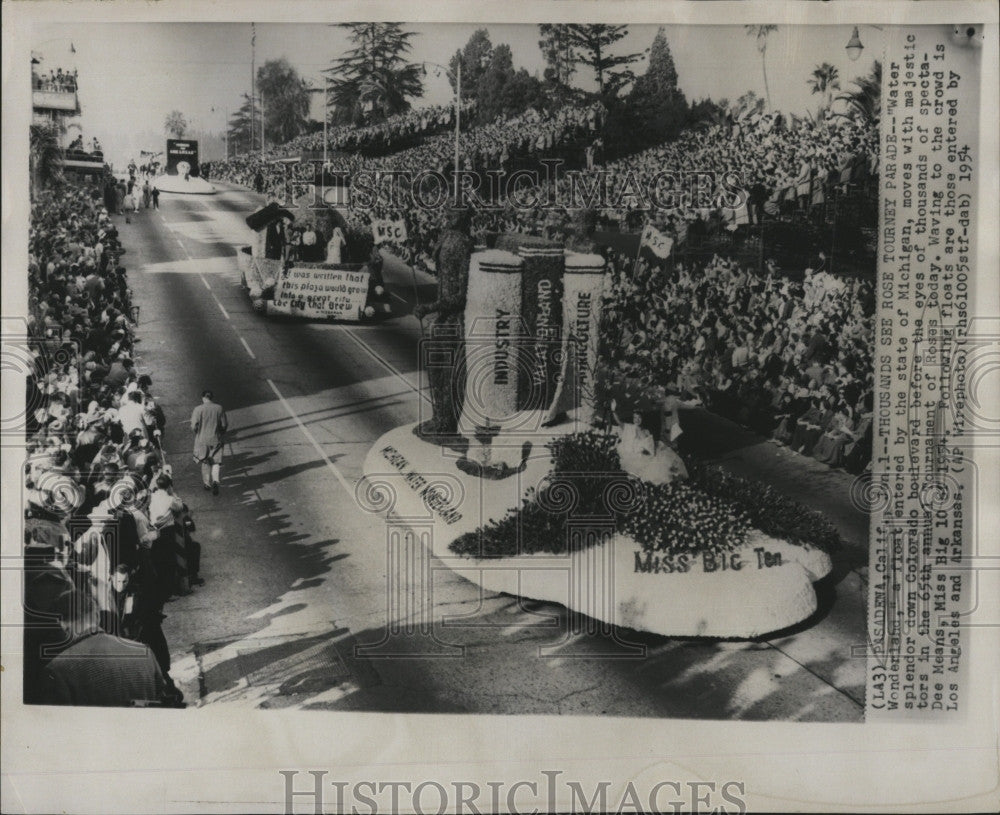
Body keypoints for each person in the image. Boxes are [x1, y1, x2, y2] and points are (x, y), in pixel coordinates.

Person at [190, 390, 227, 494]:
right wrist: (221, 433)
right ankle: (216, 480)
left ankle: (207, 483)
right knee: (216, 462)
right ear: (212, 397)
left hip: (202, 440)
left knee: (205, 461)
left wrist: (198, 432)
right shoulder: (219, 408)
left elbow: (193, 426)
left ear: (203, 398)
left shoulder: (198, 409)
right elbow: (224, 425)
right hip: (216, 438)